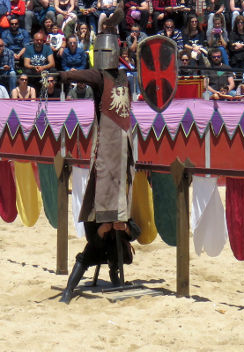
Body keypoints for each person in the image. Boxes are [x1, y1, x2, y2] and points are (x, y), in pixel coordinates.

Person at [59, 31, 140, 304]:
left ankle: (114, 279)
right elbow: (82, 76)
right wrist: (64, 76)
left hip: (123, 150)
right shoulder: (102, 77)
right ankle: (69, 290)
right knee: (98, 234)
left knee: (119, 223)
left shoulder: (123, 78)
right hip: (107, 153)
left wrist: (64, 75)